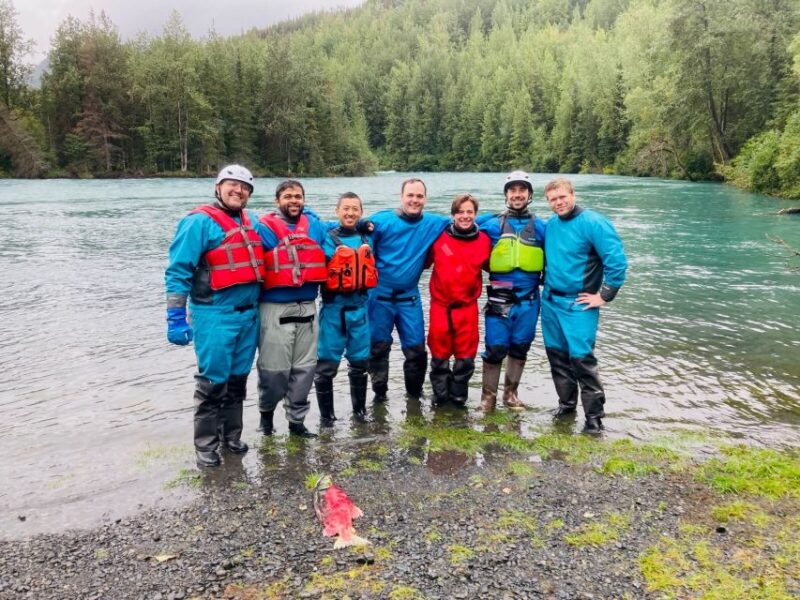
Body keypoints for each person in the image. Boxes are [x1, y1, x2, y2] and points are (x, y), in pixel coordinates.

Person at [165, 164, 262, 467]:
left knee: (237, 379)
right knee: (212, 381)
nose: (238, 191)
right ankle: (205, 443)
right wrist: (175, 316)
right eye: (231, 185)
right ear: (218, 188)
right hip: (214, 314)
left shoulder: (251, 222)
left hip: (249, 315)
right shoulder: (198, 223)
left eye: (244, 187)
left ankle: (230, 435)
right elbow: (178, 271)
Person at [541, 178, 627, 433]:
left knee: (581, 360)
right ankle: (566, 405)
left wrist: (604, 296)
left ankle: (594, 418)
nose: (559, 203)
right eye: (553, 199)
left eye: (562, 197)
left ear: (572, 194)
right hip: (550, 301)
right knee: (557, 357)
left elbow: (616, 261)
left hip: (579, 303)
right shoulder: (552, 225)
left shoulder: (594, 222)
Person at [255, 179, 329, 438]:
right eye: (288, 196)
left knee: (305, 369)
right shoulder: (263, 228)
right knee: (274, 371)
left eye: (298, 196)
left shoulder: (315, 227)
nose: (294, 201)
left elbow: (338, 232)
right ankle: (266, 417)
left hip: (307, 306)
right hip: (274, 308)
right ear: (277, 201)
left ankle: (296, 423)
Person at [367, 179, 450, 402]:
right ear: (401, 196)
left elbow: (465, 220)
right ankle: (380, 395)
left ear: (425, 199)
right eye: (410, 195)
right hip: (379, 295)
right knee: (378, 347)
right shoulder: (381, 221)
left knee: (416, 350)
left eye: (419, 196)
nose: (415, 200)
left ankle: (414, 396)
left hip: (409, 297)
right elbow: (351, 230)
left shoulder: (434, 222)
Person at [476, 170, 546, 412]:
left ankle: (511, 395)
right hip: (500, 295)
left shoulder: (541, 227)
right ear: (506, 195)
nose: (517, 195)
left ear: (529, 195)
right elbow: (460, 225)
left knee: (520, 345)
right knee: (495, 347)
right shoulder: (490, 224)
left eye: (522, 190)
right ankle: (488, 398)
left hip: (529, 298)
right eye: (512, 190)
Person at [314, 193, 378, 426]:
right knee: (326, 365)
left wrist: (366, 225)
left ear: (361, 212)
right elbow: (310, 218)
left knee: (360, 362)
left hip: (359, 309)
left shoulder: (367, 237)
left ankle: (359, 411)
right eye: (346, 209)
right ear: (337, 211)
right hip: (333, 309)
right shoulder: (327, 237)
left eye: (355, 209)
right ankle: (326, 416)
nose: (350, 213)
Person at [426, 194, 491, 408]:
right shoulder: (437, 238)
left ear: (475, 215)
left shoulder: (484, 241)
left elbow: (497, 270)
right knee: (439, 354)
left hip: (467, 307)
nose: (465, 216)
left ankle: (458, 397)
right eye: (460, 212)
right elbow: (420, 262)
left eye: (469, 212)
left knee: (465, 356)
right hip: (441, 306)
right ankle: (440, 397)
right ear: (453, 214)